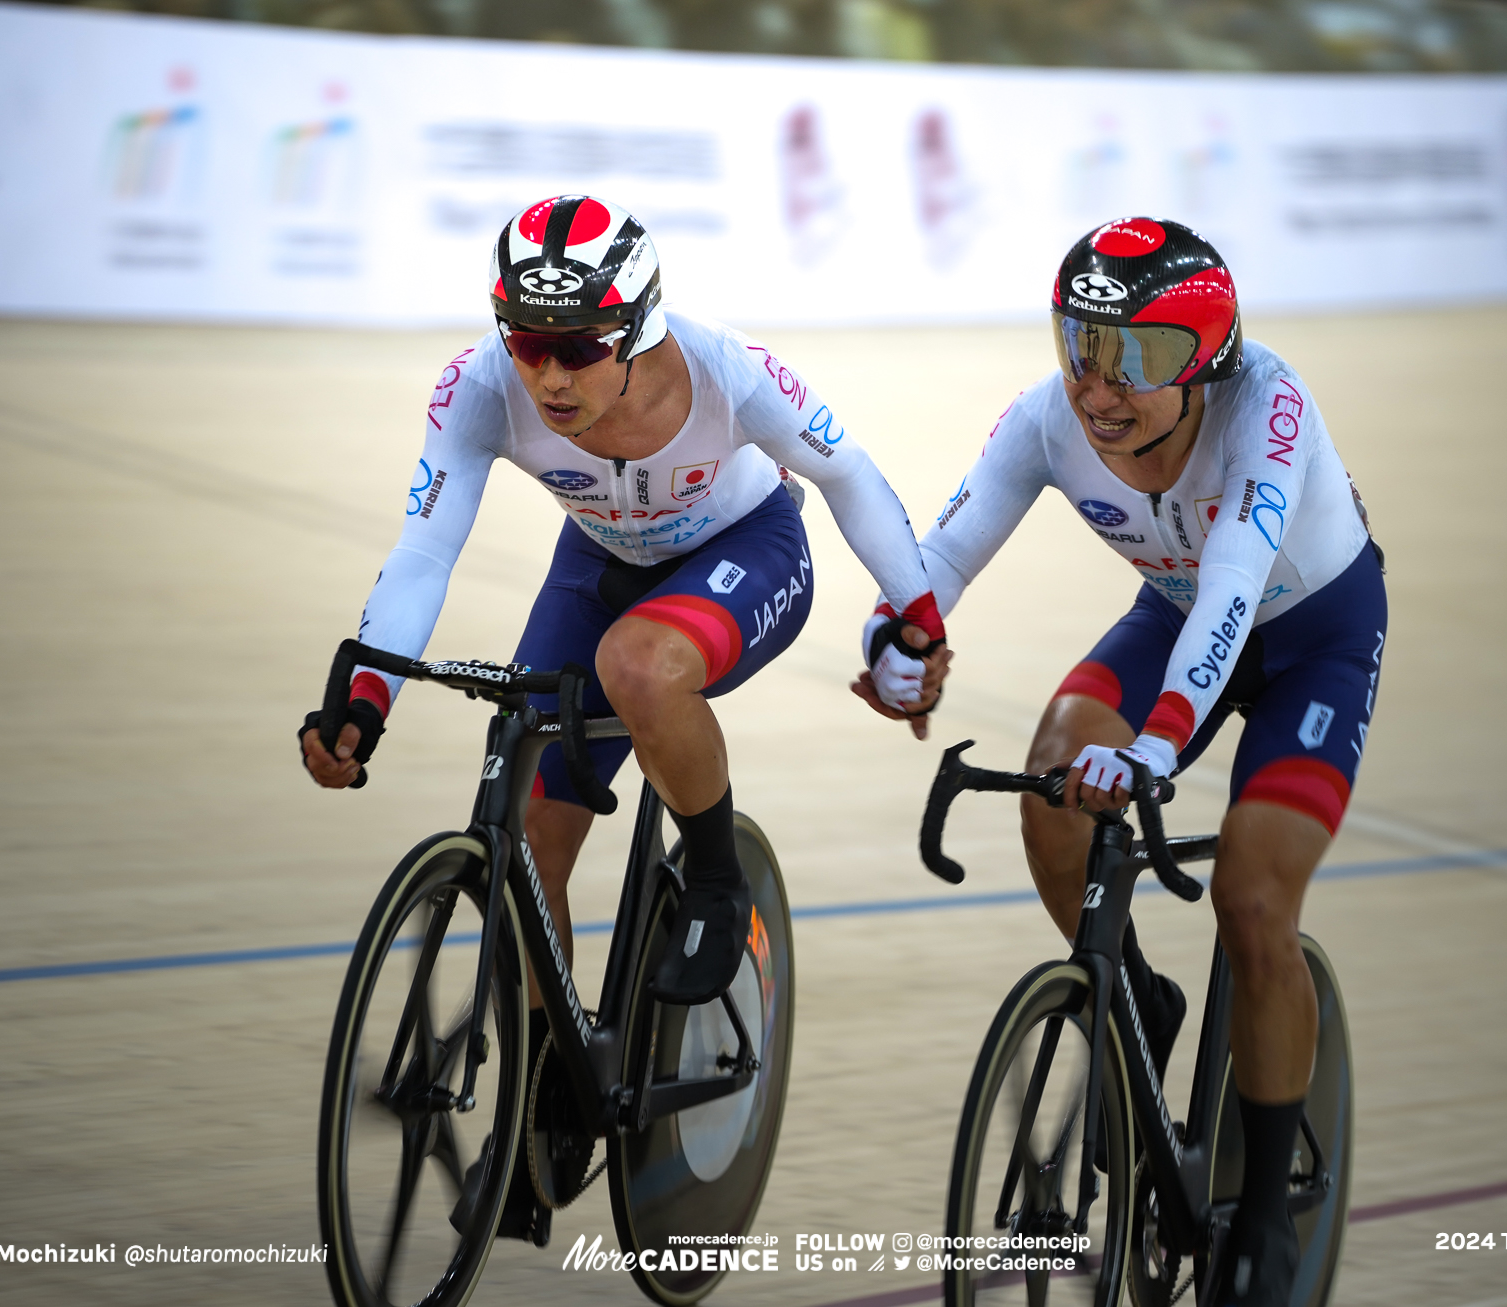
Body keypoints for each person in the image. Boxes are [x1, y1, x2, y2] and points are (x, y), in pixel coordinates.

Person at [301, 193, 948, 1235]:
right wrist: (366, 691)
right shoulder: (479, 385)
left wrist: (915, 615)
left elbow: (849, 475)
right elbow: (425, 547)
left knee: (639, 666)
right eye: (526, 341)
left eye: (575, 346)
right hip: (598, 564)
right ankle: (545, 1092)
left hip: (746, 552)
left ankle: (713, 876)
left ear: (637, 326)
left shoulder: (727, 369)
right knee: (521, 837)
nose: (548, 375)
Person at [856, 218, 1384, 1307]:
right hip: (1179, 612)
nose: (1098, 387)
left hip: (1311, 637)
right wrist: (897, 636)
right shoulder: (1049, 416)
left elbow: (1239, 576)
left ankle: (1264, 1216)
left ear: (1204, 361)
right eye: (1078, 344)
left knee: (1250, 896)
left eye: (1135, 356)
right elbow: (945, 550)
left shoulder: (1268, 409)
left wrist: (1154, 745)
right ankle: (1133, 993)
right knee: (1053, 775)